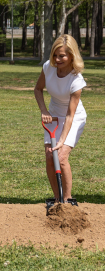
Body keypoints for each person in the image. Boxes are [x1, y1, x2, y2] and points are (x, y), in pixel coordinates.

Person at [34, 34, 86, 203]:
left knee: (61, 156)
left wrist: (62, 140)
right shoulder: (48, 67)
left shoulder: (76, 79)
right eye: (55, 55)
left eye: (62, 55)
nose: (57, 59)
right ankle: (57, 199)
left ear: (72, 55)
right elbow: (38, 89)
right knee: (50, 156)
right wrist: (44, 111)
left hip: (73, 117)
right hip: (53, 115)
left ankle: (68, 198)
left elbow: (70, 115)